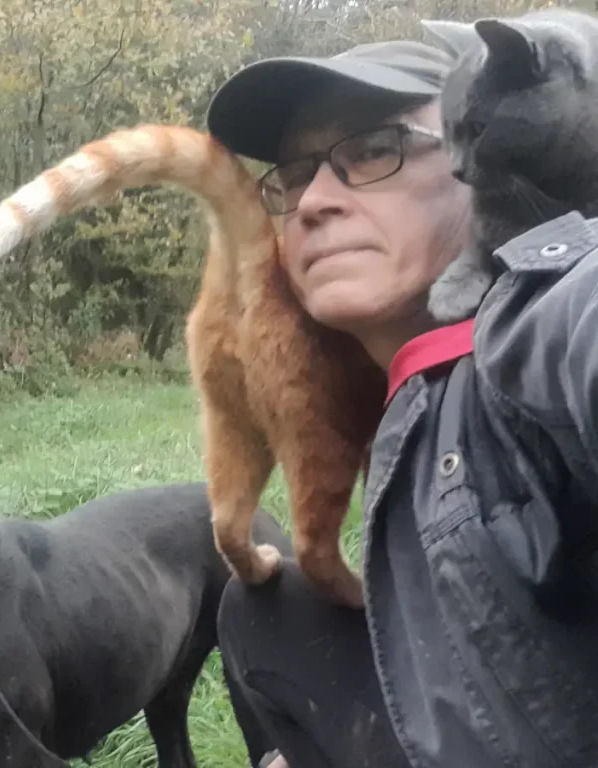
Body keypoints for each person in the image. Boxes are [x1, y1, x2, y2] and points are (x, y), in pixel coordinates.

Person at [203, 31, 598, 768]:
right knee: (265, 611)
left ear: (477, 154)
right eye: (293, 172)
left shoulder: (530, 336)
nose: (313, 201)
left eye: (373, 148)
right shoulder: (402, 391)